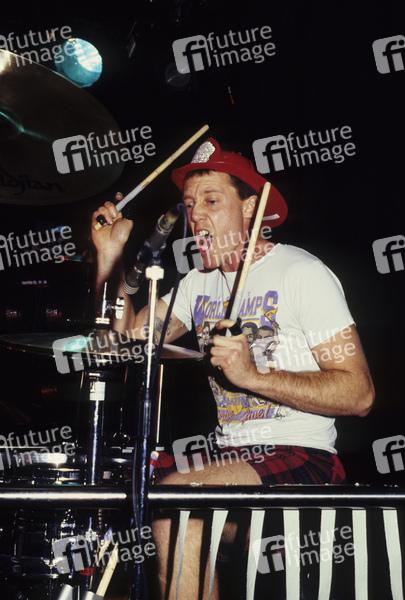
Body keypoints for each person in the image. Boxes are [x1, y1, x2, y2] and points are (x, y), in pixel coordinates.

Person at [91, 137, 374, 599]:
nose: (195, 216)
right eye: (189, 204)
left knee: (176, 499)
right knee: (123, 482)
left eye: (211, 201)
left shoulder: (301, 273)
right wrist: (110, 256)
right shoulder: (197, 283)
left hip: (302, 457)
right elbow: (123, 340)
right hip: (228, 458)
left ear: (250, 208)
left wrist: (253, 377)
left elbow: (359, 394)